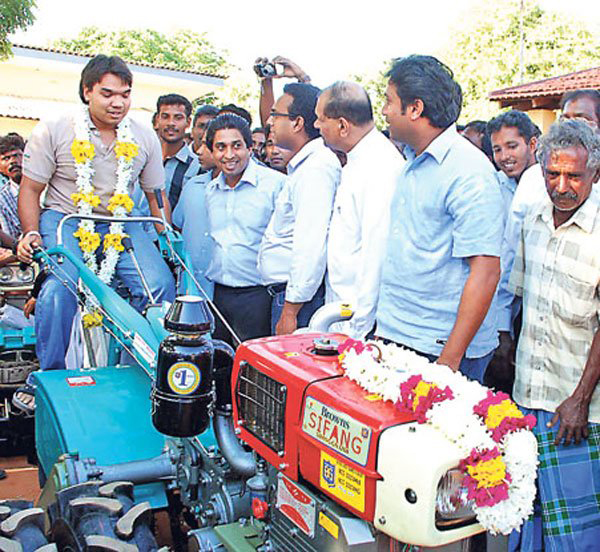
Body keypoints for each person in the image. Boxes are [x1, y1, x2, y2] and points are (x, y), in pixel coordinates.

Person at [16, 55, 175, 393]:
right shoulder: (56, 128)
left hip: (122, 222)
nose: (118, 102)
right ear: (87, 91)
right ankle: (50, 378)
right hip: (66, 218)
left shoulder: (144, 136)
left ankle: (137, 371)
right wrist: (30, 232)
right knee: (60, 287)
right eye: (108, 93)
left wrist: (167, 235)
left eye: (125, 94)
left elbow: (155, 196)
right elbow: (31, 189)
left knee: (160, 286)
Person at [375, 55, 503, 383]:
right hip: (399, 335)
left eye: (390, 101)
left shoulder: (468, 171)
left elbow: (486, 271)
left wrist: (449, 359)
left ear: (415, 108)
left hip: (439, 350)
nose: (385, 111)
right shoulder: (410, 161)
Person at [507, 120, 600, 551]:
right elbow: (524, 302)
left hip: (578, 409)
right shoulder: (533, 218)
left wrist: (580, 399)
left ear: (594, 174)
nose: (562, 186)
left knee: (576, 534)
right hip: (528, 394)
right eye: (552, 174)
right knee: (525, 516)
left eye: (574, 176)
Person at [315, 81, 404, 338]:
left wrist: (359, 329)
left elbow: (376, 252)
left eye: (321, 119)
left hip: (359, 323)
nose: (316, 126)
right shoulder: (357, 160)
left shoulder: (380, 167)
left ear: (342, 125)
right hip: (342, 313)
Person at [259, 83, 341, 335]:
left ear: (297, 123)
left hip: (297, 300)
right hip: (287, 294)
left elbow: (310, 245)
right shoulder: (304, 166)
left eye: (276, 115)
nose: (270, 122)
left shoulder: (316, 169)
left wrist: (290, 311)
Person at [204, 113, 285, 346]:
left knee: (251, 372)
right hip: (219, 294)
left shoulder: (275, 185)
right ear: (212, 151)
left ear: (250, 148)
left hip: (258, 296)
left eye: (236, 146)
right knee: (219, 364)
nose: (229, 155)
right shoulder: (211, 190)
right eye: (220, 147)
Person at [172, 129, 220, 298]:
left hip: (227, 296)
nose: (199, 151)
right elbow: (177, 225)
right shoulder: (193, 185)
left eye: (207, 146)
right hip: (189, 289)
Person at [487, 110, 540, 215]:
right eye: (497, 150)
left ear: (532, 145)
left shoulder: (548, 184)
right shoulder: (494, 185)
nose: (504, 156)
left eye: (512, 147)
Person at [0, 135, 24, 264]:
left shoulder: (48, 187)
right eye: (6, 158)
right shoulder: (2, 199)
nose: (12, 161)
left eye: (16, 155)